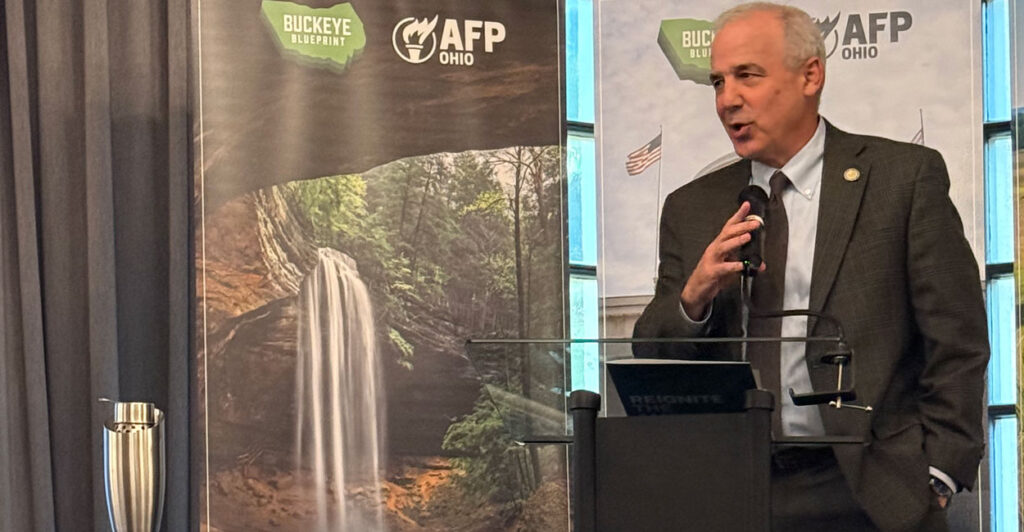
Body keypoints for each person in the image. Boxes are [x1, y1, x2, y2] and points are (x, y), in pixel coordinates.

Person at [632, 3, 989, 531]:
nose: (728, 99)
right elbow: (653, 351)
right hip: (737, 490)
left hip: (875, 488)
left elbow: (956, 339)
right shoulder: (692, 208)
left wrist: (940, 471)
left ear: (811, 75)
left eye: (747, 75)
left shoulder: (902, 180)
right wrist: (694, 297)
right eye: (716, 82)